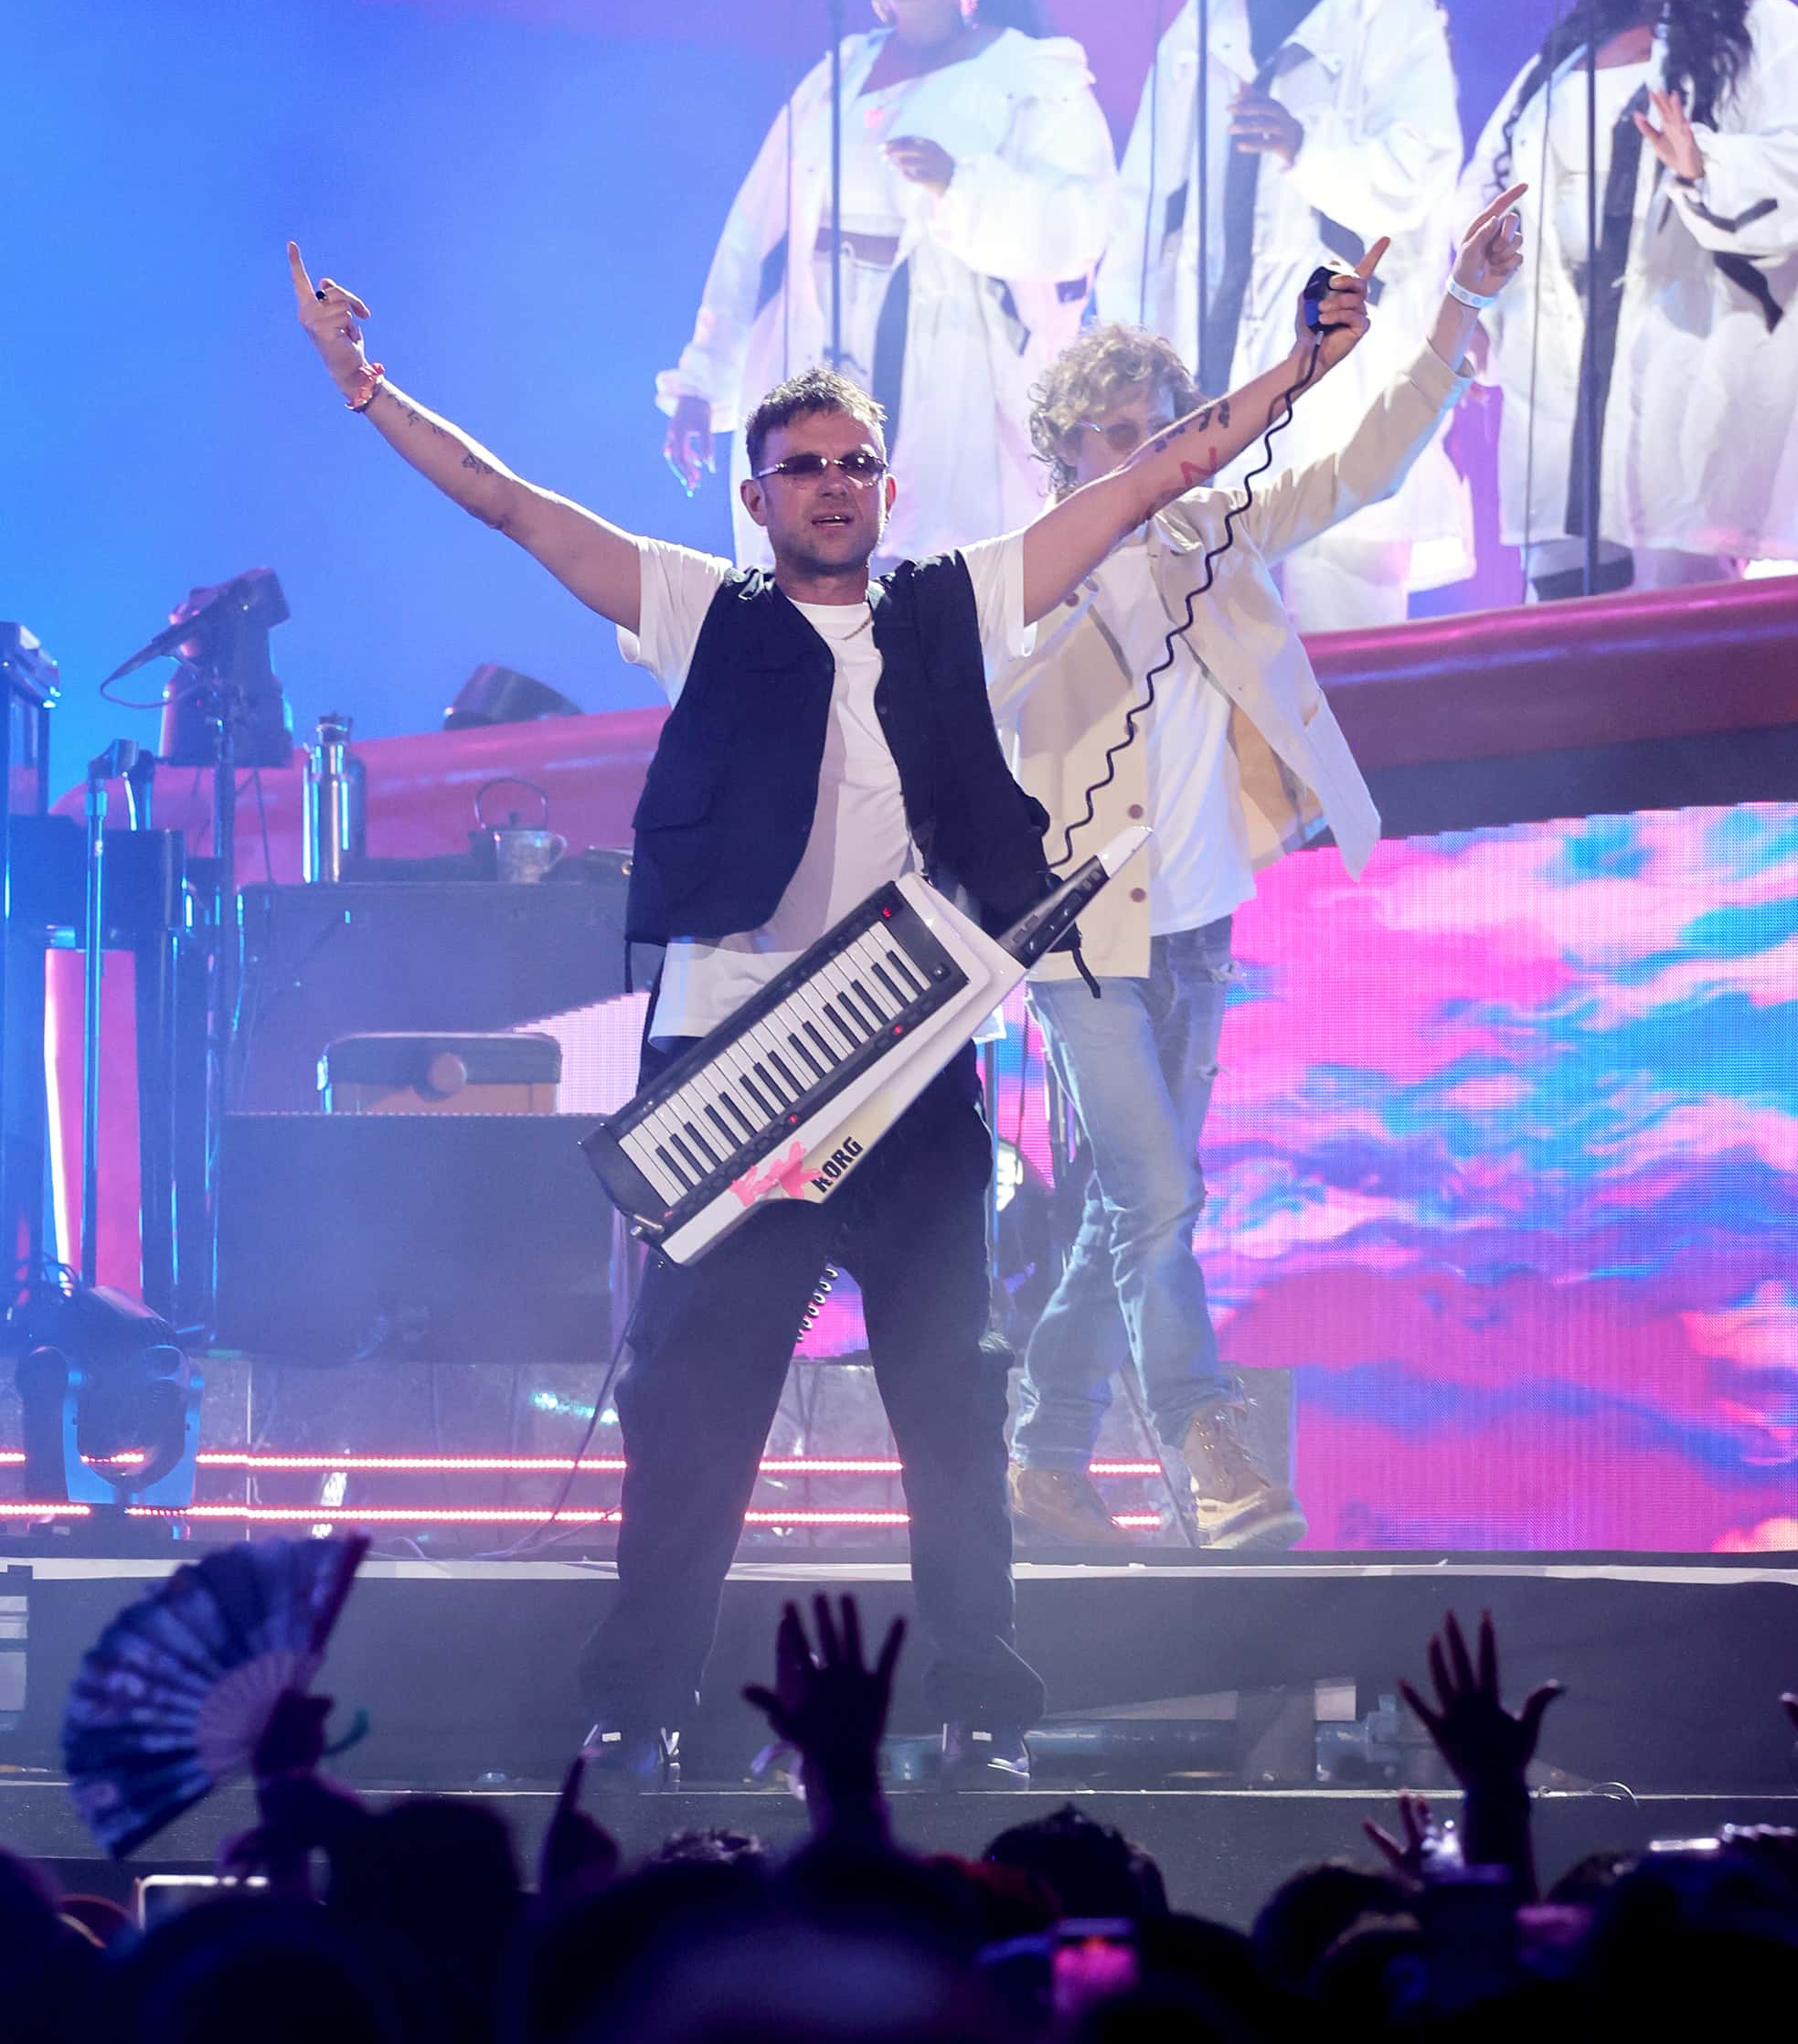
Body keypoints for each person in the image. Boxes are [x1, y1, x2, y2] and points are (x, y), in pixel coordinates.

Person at [283, 227, 1380, 1789]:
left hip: (915, 1058)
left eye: (855, 461)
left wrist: (1302, 370)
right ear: (755, 493)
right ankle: (640, 1703)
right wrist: (365, 387)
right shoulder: (699, 607)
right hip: (735, 1054)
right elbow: (514, 505)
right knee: (690, 1405)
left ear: (887, 485)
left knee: (955, 1393)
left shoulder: (956, 604)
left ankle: (979, 1705)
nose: (831, 484)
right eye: (801, 464)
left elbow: (1143, 486)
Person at [995, 186, 1526, 1552]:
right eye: (1102, 438)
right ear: (1055, 452)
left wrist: (1455, 307)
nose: (1131, 457)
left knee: (1131, 1199)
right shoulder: (1013, 582)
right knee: (1158, 1194)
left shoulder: (1214, 540)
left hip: (1196, 923)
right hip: (1070, 938)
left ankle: (1042, 1459)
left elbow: (1366, 463)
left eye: (1152, 431)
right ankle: (1203, 1438)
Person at [659, 0, 1116, 565]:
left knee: (919, 564)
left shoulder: (1028, 75)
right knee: (805, 561)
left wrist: (960, 186)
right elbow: (752, 233)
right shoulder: (837, 74)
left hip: (944, 359)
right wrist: (702, 382)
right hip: (809, 342)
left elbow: (1078, 227)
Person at [1097, 0, 1468, 633]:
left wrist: (1309, 147)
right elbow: (1144, 196)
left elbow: (1420, 172)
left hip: (1333, 366)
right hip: (1210, 363)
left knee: (1342, 638)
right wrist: (1123, 346)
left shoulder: (1387, 6)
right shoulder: (1207, 7)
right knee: (1209, 642)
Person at [1463, 0, 1798, 598]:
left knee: (1674, 609)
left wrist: (1703, 162)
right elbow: (1488, 175)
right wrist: (1472, 304)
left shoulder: (1765, 33)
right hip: (1561, 358)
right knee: (1563, 626)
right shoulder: (1569, 52)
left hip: (1685, 347)